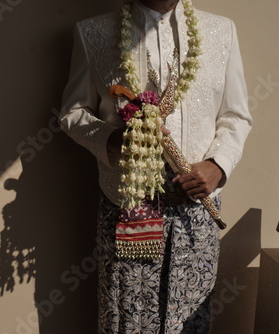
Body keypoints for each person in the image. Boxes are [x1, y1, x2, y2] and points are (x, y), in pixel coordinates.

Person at [59, 0, 253, 333]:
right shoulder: (92, 32)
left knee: (190, 319)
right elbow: (72, 115)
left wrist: (217, 166)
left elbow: (236, 115)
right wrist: (115, 139)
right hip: (128, 205)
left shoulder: (221, 31)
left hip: (196, 211)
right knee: (127, 320)